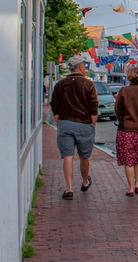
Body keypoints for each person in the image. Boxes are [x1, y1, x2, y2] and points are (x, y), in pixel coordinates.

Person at [50, 56, 98, 201]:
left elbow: (54, 104)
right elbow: (93, 106)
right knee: (84, 156)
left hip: (65, 123)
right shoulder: (88, 84)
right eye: (84, 65)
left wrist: (59, 121)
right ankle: (84, 181)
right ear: (79, 67)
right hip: (84, 124)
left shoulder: (60, 84)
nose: (85, 67)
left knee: (67, 156)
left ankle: (69, 188)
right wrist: (92, 124)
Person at [114, 67, 138, 197]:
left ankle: (130, 187)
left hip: (126, 128)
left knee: (128, 158)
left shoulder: (124, 90)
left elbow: (118, 109)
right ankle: (137, 183)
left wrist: (121, 119)